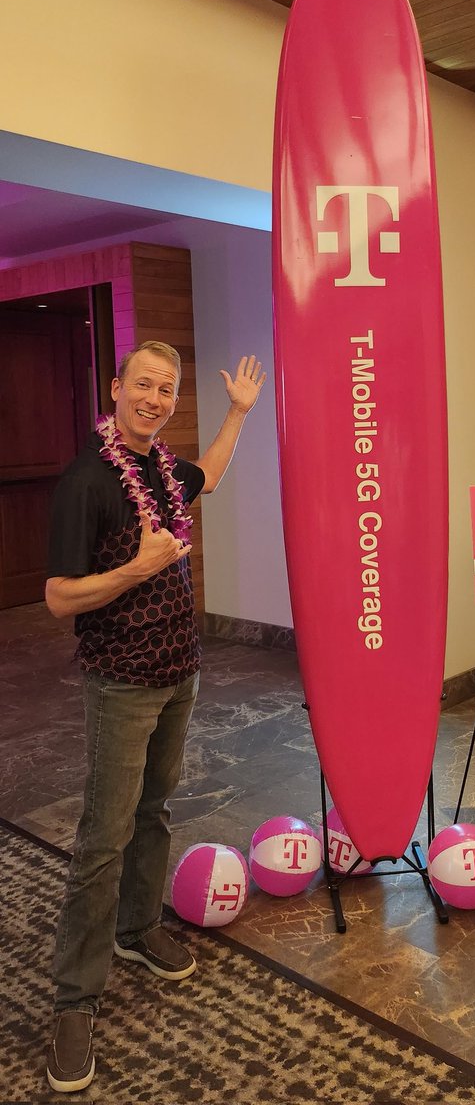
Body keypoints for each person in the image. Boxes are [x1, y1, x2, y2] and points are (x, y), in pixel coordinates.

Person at [44, 340, 266, 1093]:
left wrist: (237, 414)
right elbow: (58, 596)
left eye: (166, 388)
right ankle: (75, 1001)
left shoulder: (161, 471)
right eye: (143, 383)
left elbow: (211, 472)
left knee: (154, 813)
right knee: (102, 837)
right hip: (120, 685)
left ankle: (138, 931)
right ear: (115, 388)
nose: (154, 397)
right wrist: (136, 569)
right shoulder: (88, 481)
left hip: (179, 674)